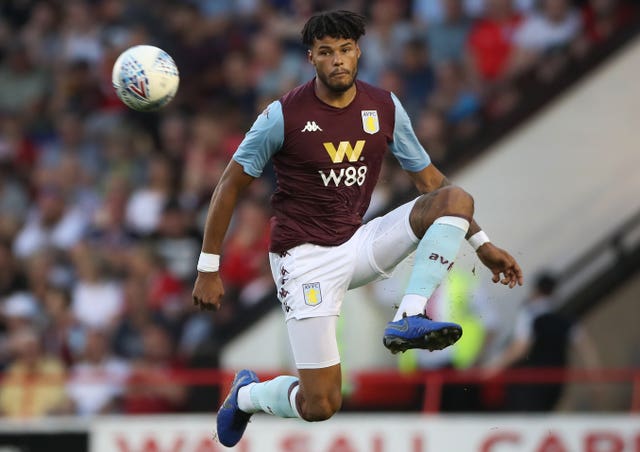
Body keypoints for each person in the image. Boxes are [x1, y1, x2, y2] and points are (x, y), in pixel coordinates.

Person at [191, 10, 523, 448]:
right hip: (303, 258)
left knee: (455, 198)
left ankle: (409, 316)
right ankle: (248, 394)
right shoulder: (282, 115)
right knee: (321, 405)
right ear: (311, 57)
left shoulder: (384, 106)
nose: (338, 61)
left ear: (358, 52)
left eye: (345, 50)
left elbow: (430, 182)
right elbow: (229, 185)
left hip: (357, 241)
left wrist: (481, 243)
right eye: (326, 52)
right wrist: (208, 267)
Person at [484, 271, 601, 412]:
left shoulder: (529, 314)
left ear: (536, 290)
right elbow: (586, 348)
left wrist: (493, 367)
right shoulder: (565, 318)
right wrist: (595, 379)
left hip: (532, 383)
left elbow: (520, 349)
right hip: (556, 382)